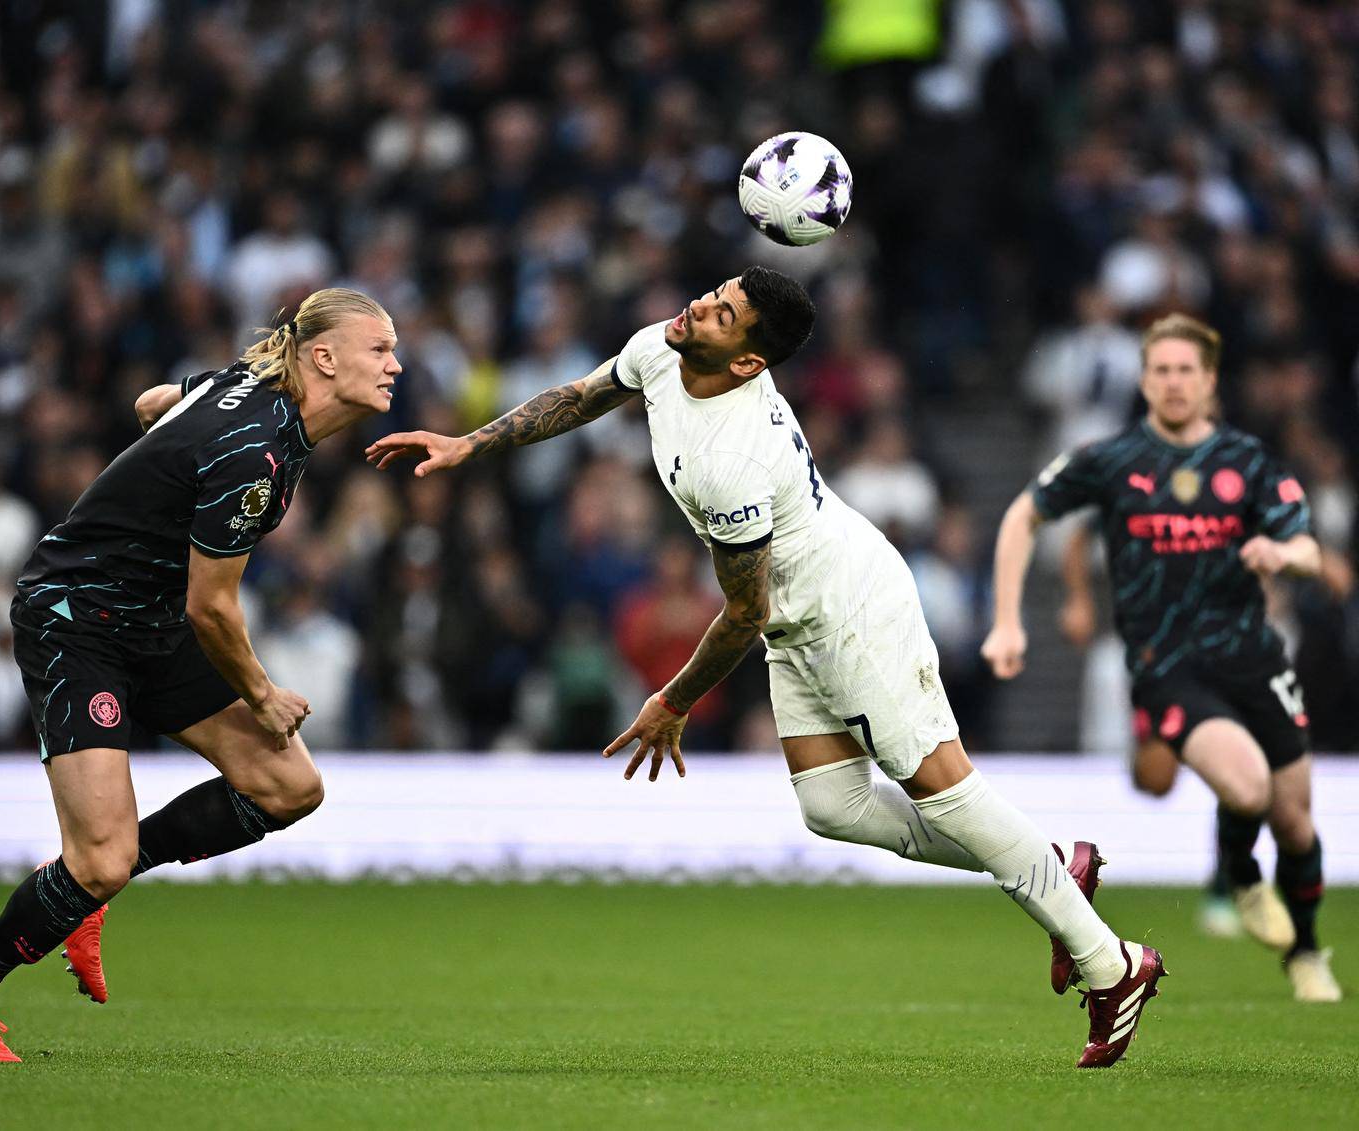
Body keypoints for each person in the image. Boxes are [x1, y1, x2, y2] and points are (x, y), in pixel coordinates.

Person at [367, 266, 1165, 1068]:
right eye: (713, 294)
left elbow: (743, 613)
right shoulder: (662, 345)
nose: (698, 308)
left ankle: (1112, 963)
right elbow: (583, 394)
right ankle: (1050, 866)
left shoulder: (731, 462)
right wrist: (470, 442)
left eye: (722, 315)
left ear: (749, 362)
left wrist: (673, 700)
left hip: (847, 609)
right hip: (799, 614)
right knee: (835, 806)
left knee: (945, 790)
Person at [0, 289, 404, 1061]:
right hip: (76, 619)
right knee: (100, 857)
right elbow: (212, 608)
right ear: (324, 357)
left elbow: (154, 402)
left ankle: (83, 895)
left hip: (148, 621)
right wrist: (262, 693)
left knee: (288, 786)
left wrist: (162, 477)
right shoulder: (258, 450)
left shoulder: (248, 386)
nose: (396, 364)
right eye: (379, 349)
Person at [983, 313, 1340, 1003]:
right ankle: (1239, 872)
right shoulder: (1112, 460)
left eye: (1188, 371)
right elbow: (1024, 515)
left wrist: (1282, 555)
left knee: (1295, 820)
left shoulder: (1249, 461)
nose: (1174, 382)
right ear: (1145, 380)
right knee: (1246, 789)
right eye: (1162, 370)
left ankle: (1304, 949)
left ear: (1209, 382)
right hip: (1166, 664)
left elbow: (1308, 548)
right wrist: (1006, 621)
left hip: (1255, 658)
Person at [1058, 520, 1244, 940]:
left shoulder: (1214, 497)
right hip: (1128, 651)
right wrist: (1078, 599)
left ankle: (1223, 887)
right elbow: (1080, 535)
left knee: (1227, 768)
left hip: (1195, 652)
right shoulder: (1130, 485)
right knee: (1134, 771)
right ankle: (1079, 874)